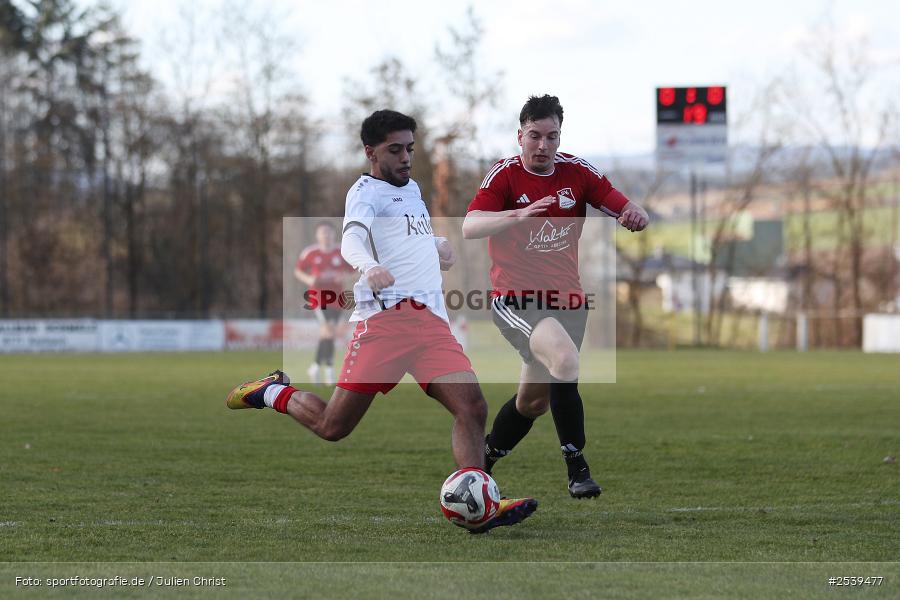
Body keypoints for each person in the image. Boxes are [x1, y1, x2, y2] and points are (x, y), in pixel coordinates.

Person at [226, 109, 537, 533]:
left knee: (472, 407)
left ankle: (482, 505)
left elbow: (409, 237)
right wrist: (368, 266)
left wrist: (438, 245)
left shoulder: (412, 189)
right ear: (371, 152)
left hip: (429, 323)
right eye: (395, 150)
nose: (406, 157)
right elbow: (352, 238)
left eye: (410, 148)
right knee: (333, 427)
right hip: (383, 324)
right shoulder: (364, 192)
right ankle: (271, 392)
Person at [462, 95, 649, 498]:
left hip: (568, 303)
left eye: (552, 136)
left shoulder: (577, 172)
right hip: (516, 301)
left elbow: (618, 202)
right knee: (565, 359)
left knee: (533, 403)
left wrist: (633, 212)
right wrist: (515, 214)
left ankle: (485, 460)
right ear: (520, 135)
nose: (543, 145)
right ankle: (576, 466)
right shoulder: (504, 176)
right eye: (535, 136)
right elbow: (470, 226)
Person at [294, 221, 355, 385]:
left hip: (337, 298)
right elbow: (298, 270)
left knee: (329, 333)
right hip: (318, 297)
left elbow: (354, 270)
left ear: (333, 234)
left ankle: (315, 367)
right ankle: (328, 371)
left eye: (328, 232)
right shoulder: (310, 253)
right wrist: (309, 279)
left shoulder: (341, 252)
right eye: (322, 232)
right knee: (328, 331)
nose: (325, 235)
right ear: (317, 235)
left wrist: (345, 277)